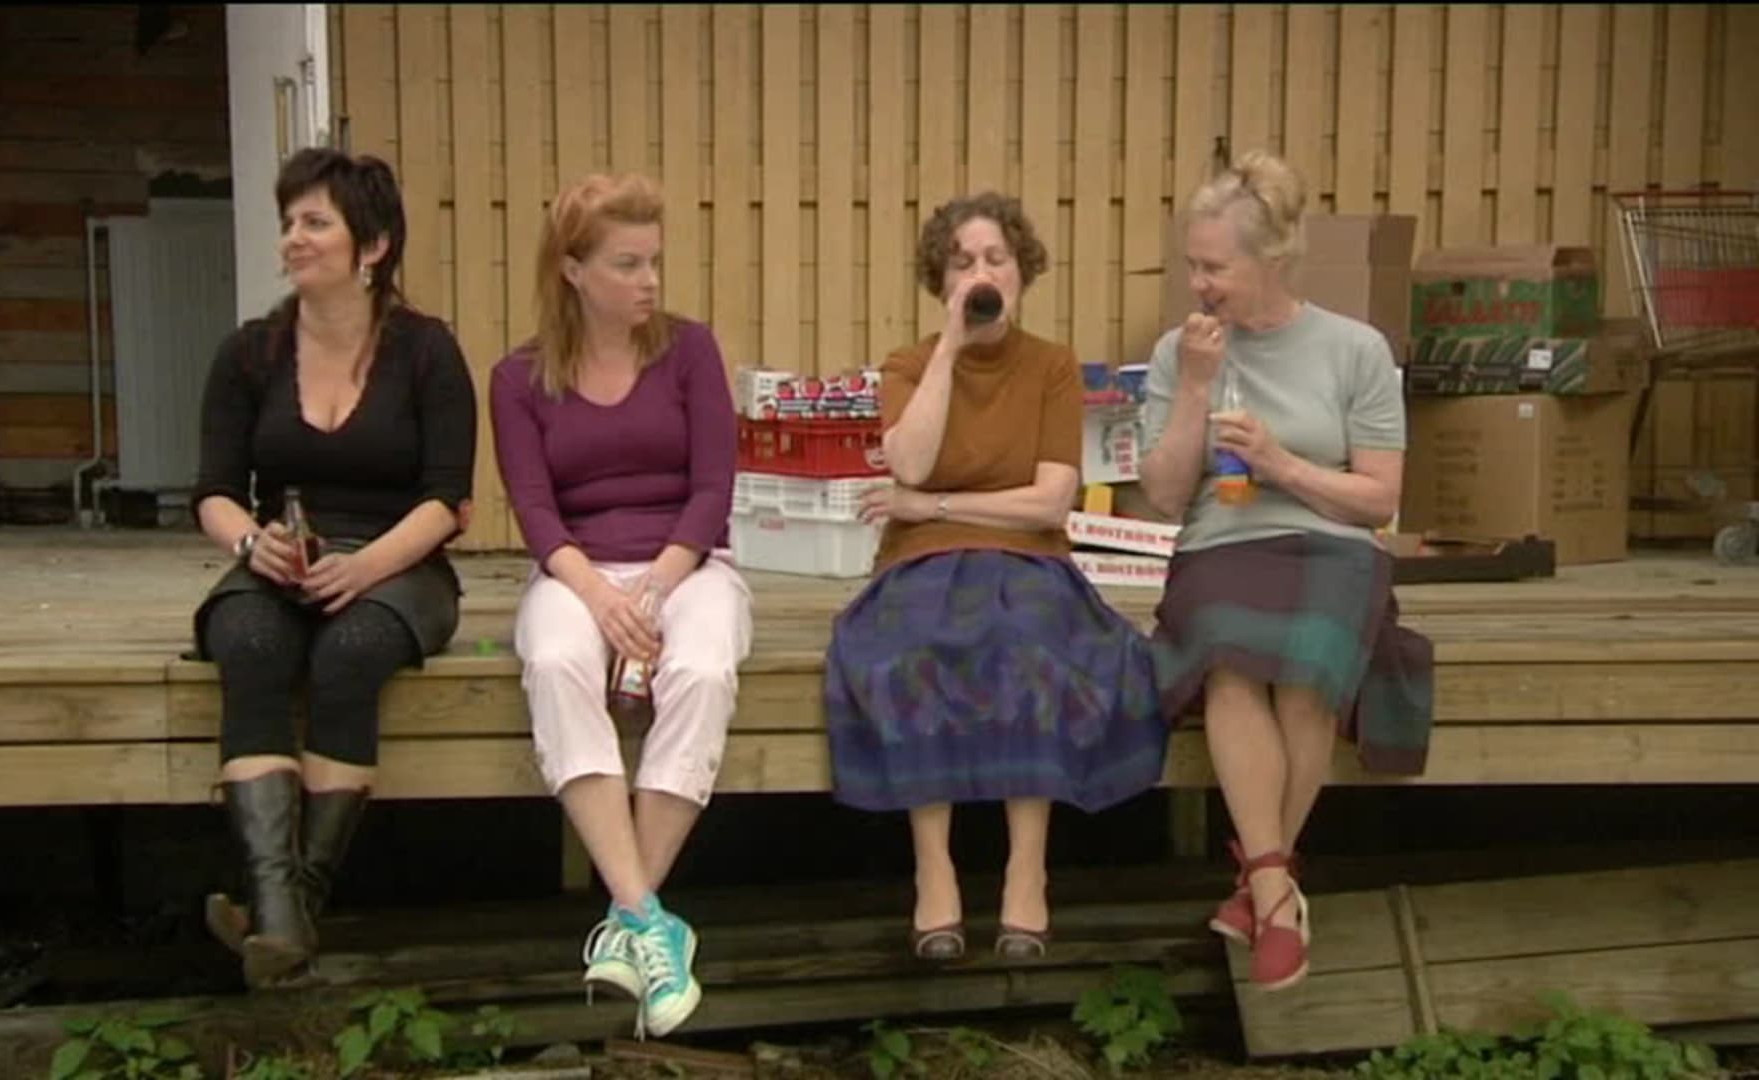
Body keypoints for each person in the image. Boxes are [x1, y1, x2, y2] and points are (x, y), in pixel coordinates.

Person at [824, 192, 1167, 963]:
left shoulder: (1051, 365)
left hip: (1030, 557)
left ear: (1022, 271)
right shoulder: (910, 364)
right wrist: (950, 349)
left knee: (1031, 648)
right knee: (911, 653)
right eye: (962, 263)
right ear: (941, 281)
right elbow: (909, 461)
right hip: (922, 560)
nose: (981, 274)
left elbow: (1050, 499)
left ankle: (1026, 869)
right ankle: (933, 869)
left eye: (995, 259)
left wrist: (934, 505)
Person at [1139, 150, 1434, 992]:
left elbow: (1378, 500)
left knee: (1308, 672)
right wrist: (1193, 389)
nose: (1198, 284)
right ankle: (1274, 890)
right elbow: (1164, 496)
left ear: (1271, 260)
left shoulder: (1355, 349)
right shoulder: (1180, 352)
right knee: (1229, 658)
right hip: (1220, 543)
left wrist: (1281, 464)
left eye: (1214, 268)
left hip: (1333, 543)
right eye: (1192, 265)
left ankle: (1261, 888)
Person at [189, 147, 478, 989]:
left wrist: (365, 568)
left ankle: (280, 911)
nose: (294, 238)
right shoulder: (248, 354)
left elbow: (448, 498)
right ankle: (284, 919)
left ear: (373, 245)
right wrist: (253, 545)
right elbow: (213, 492)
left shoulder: (427, 351)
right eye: (289, 222)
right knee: (247, 641)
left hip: (400, 559)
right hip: (283, 556)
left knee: (350, 653)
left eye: (316, 222)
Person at [490, 173, 751, 1039]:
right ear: (573, 270)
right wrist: (600, 596)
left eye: (654, 262)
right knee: (556, 658)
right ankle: (650, 920)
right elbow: (534, 511)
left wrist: (655, 587)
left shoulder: (690, 351)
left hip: (687, 561)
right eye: (627, 264)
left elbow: (713, 490)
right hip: (577, 570)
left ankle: (624, 917)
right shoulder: (517, 377)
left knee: (702, 668)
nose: (650, 282)